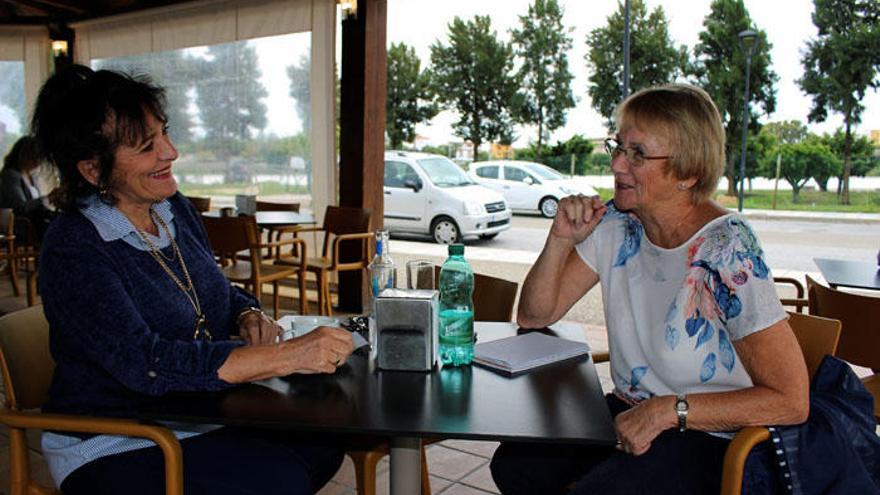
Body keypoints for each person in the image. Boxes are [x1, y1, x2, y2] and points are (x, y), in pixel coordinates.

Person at [32, 64, 354, 494]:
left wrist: (247, 313)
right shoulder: (75, 247)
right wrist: (288, 357)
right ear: (92, 170)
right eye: (148, 146)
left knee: (322, 444)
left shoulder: (172, 209)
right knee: (280, 477)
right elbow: (146, 365)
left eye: (165, 132)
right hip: (116, 438)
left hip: (196, 414)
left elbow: (216, 291)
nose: (171, 152)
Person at [490, 84, 809, 494]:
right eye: (618, 147)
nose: (618, 165)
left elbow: (791, 401)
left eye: (638, 154)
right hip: (632, 408)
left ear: (688, 172)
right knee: (517, 466)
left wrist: (665, 412)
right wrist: (559, 239)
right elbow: (534, 315)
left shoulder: (727, 249)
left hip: (710, 434)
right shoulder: (617, 225)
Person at [0, 135, 56, 242]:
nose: (39, 161)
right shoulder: (11, 175)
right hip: (21, 226)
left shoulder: (31, 177)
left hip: (34, 224)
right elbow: (19, 207)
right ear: (25, 155)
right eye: (36, 156)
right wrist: (47, 198)